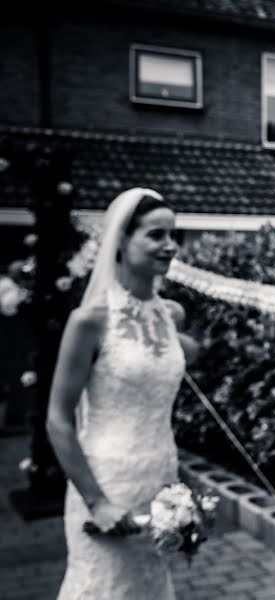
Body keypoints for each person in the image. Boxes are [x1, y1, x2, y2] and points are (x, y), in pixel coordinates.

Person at [46, 188, 195, 599]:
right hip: (106, 485)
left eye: (173, 235)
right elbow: (57, 418)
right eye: (156, 234)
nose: (170, 245)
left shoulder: (172, 315)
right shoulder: (88, 321)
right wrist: (97, 502)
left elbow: (173, 362)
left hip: (161, 481)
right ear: (121, 241)